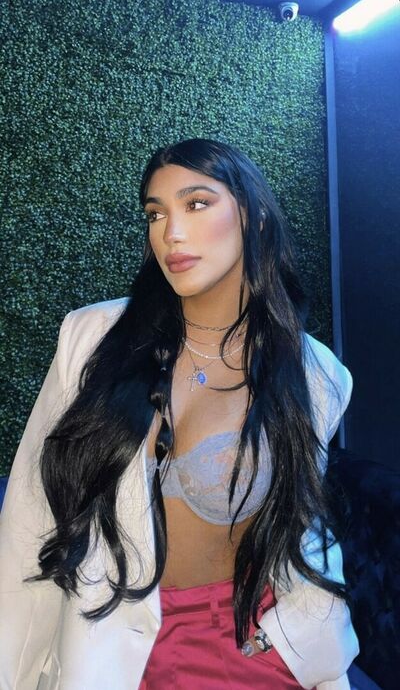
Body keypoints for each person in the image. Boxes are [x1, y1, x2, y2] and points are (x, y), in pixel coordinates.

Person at [0, 138, 359, 689]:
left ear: (254, 216)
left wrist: (295, 637)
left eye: (196, 204)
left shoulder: (316, 373)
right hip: (108, 645)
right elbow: (29, 521)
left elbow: (306, 522)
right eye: (156, 213)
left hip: (248, 646)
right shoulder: (92, 339)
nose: (171, 232)